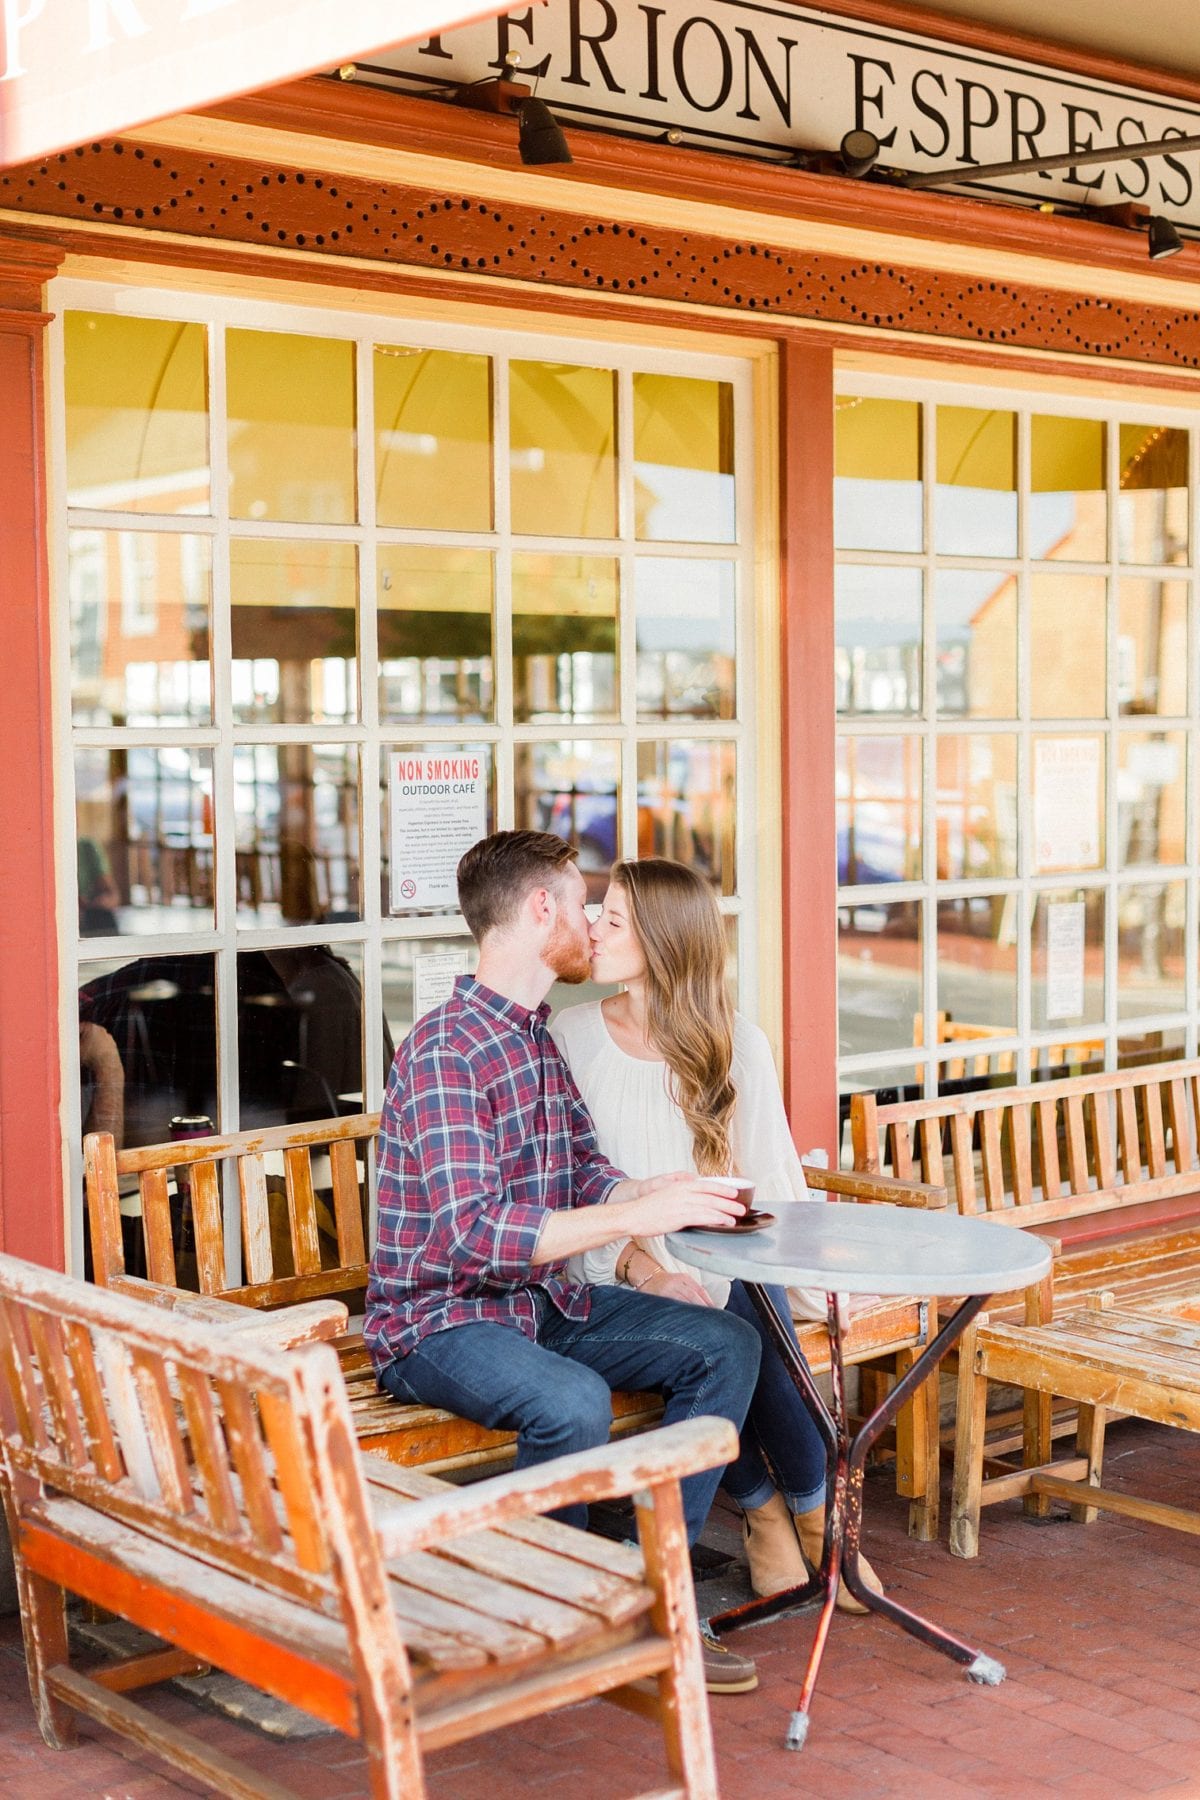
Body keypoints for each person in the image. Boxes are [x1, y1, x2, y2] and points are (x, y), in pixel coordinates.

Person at [364, 830, 765, 1694]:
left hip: (539, 1308)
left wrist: (642, 1197)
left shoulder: (535, 1038)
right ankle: (542, 1614)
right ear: (542, 909)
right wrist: (643, 1215)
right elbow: (472, 1235)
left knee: (726, 1342)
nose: (592, 926)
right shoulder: (447, 1049)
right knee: (571, 1402)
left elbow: (582, 1167)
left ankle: (645, 1585)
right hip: (440, 1320)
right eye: (584, 907)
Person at [552, 856, 881, 1613]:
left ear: (665, 941)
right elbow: (573, 1184)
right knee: (722, 1319)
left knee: (749, 1306)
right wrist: (643, 1261)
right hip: (614, 1266)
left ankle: (796, 1515)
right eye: (596, 911)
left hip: (722, 1263)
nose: (593, 927)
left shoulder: (736, 1043)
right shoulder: (572, 1036)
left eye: (614, 918)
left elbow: (773, 1189)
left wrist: (820, 1289)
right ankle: (793, 1515)